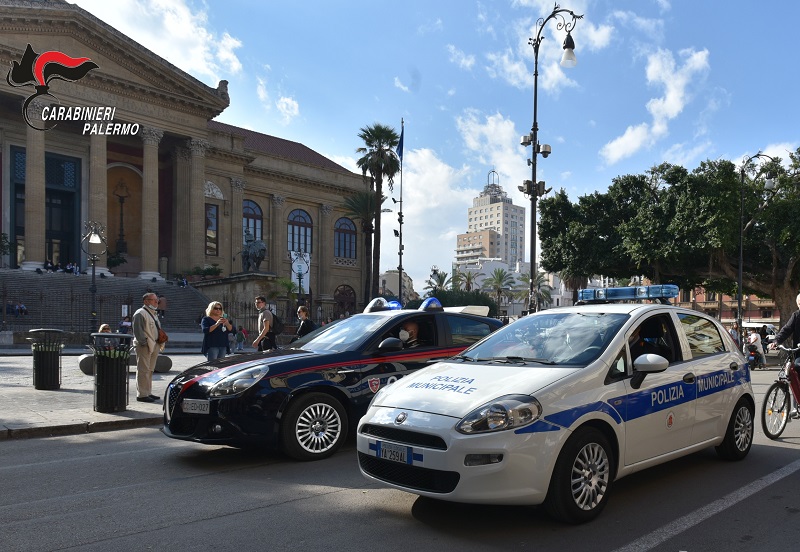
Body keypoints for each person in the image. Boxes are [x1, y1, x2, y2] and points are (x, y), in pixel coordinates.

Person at [132, 292, 161, 403]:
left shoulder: (153, 313)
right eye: (153, 300)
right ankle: (142, 394)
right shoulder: (140, 313)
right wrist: (144, 343)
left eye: (156, 300)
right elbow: (138, 331)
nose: (156, 302)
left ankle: (148, 392)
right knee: (143, 370)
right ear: (146, 301)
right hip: (145, 346)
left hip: (154, 344)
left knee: (150, 370)